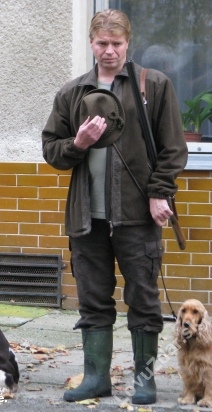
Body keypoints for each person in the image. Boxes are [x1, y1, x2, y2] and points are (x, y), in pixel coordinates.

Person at [42, 9, 187, 405]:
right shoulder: (72, 93)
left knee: (142, 298)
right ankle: (95, 378)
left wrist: (160, 191)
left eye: (116, 44)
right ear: (91, 43)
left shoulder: (152, 86)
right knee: (93, 298)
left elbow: (174, 149)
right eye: (102, 44)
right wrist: (80, 143)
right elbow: (52, 151)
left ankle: (144, 380)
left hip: (138, 215)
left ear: (128, 43)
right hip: (87, 215)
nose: (109, 52)